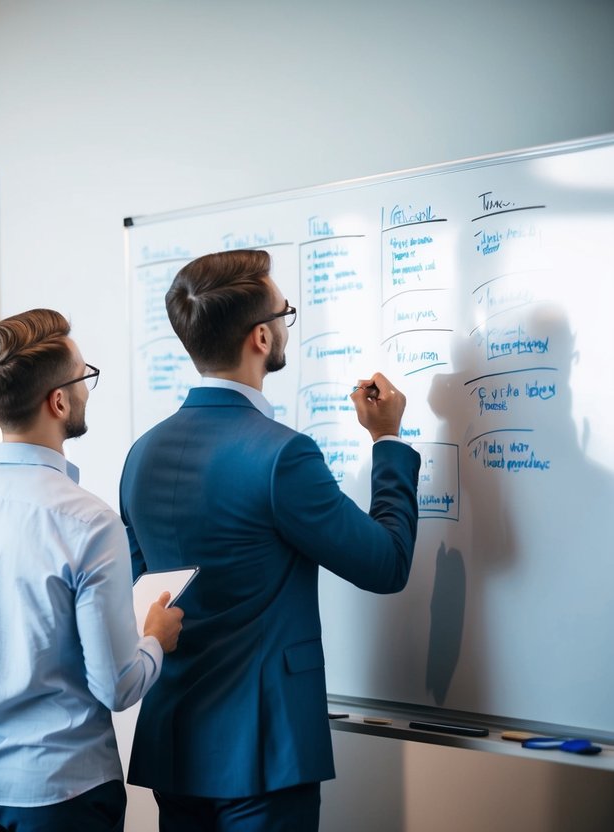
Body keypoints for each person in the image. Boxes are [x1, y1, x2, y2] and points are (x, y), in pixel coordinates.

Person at [119, 249, 420, 832]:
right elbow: (386, 565)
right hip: (264, 749)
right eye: (285, 314)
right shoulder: (283, 455)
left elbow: (145, 589)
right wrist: (386, 442)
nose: (285, 325)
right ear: (261, 336)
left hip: (176, 742)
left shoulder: (142, 454)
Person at [0, 308, 185, 831]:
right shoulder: (87, 521)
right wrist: (154, 639)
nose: (86, 389)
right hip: (64, 791)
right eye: (84, 377)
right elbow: (118, 687)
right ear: (58, 401)